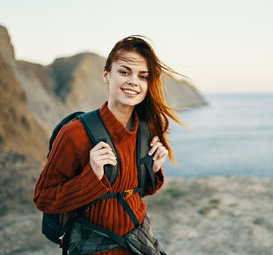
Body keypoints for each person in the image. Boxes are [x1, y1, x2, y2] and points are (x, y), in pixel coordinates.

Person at [33, 35, 182, 254]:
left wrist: (153, 169)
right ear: (106, 75)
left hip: (139, 243)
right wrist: (91, 176)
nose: (133, 81)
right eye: (124, 72)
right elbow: (44, 199)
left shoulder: (145, 131)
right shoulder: (75, 134)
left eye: (143, 76)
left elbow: (133, 192)